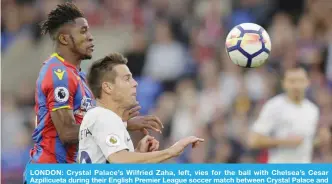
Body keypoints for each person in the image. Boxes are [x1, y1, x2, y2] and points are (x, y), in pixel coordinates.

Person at [26, 2, 162, 166]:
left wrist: (134, 153)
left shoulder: (79, 76)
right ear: (64, 38)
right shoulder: (58, 73)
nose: (90, 36)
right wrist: (121, 124)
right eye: (83, 31)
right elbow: (67, 132)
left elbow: (89, 133)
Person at [78, 53, 204, 163]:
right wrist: (170, 152)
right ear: (108, 87)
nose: (135, 83)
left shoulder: (101, 117)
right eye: (127, 79)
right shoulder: (104, 116)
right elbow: (120, 161)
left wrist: (138, 153)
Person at [248, 66, 320, 163]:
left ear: (307, 83)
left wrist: (320, 140)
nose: (296, 85)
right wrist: (285, 142)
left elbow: (304, 143)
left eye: (300, 81)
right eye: (292, 81)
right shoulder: (274, 106)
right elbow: (253, 140)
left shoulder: (312, 110)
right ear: (284, 83)